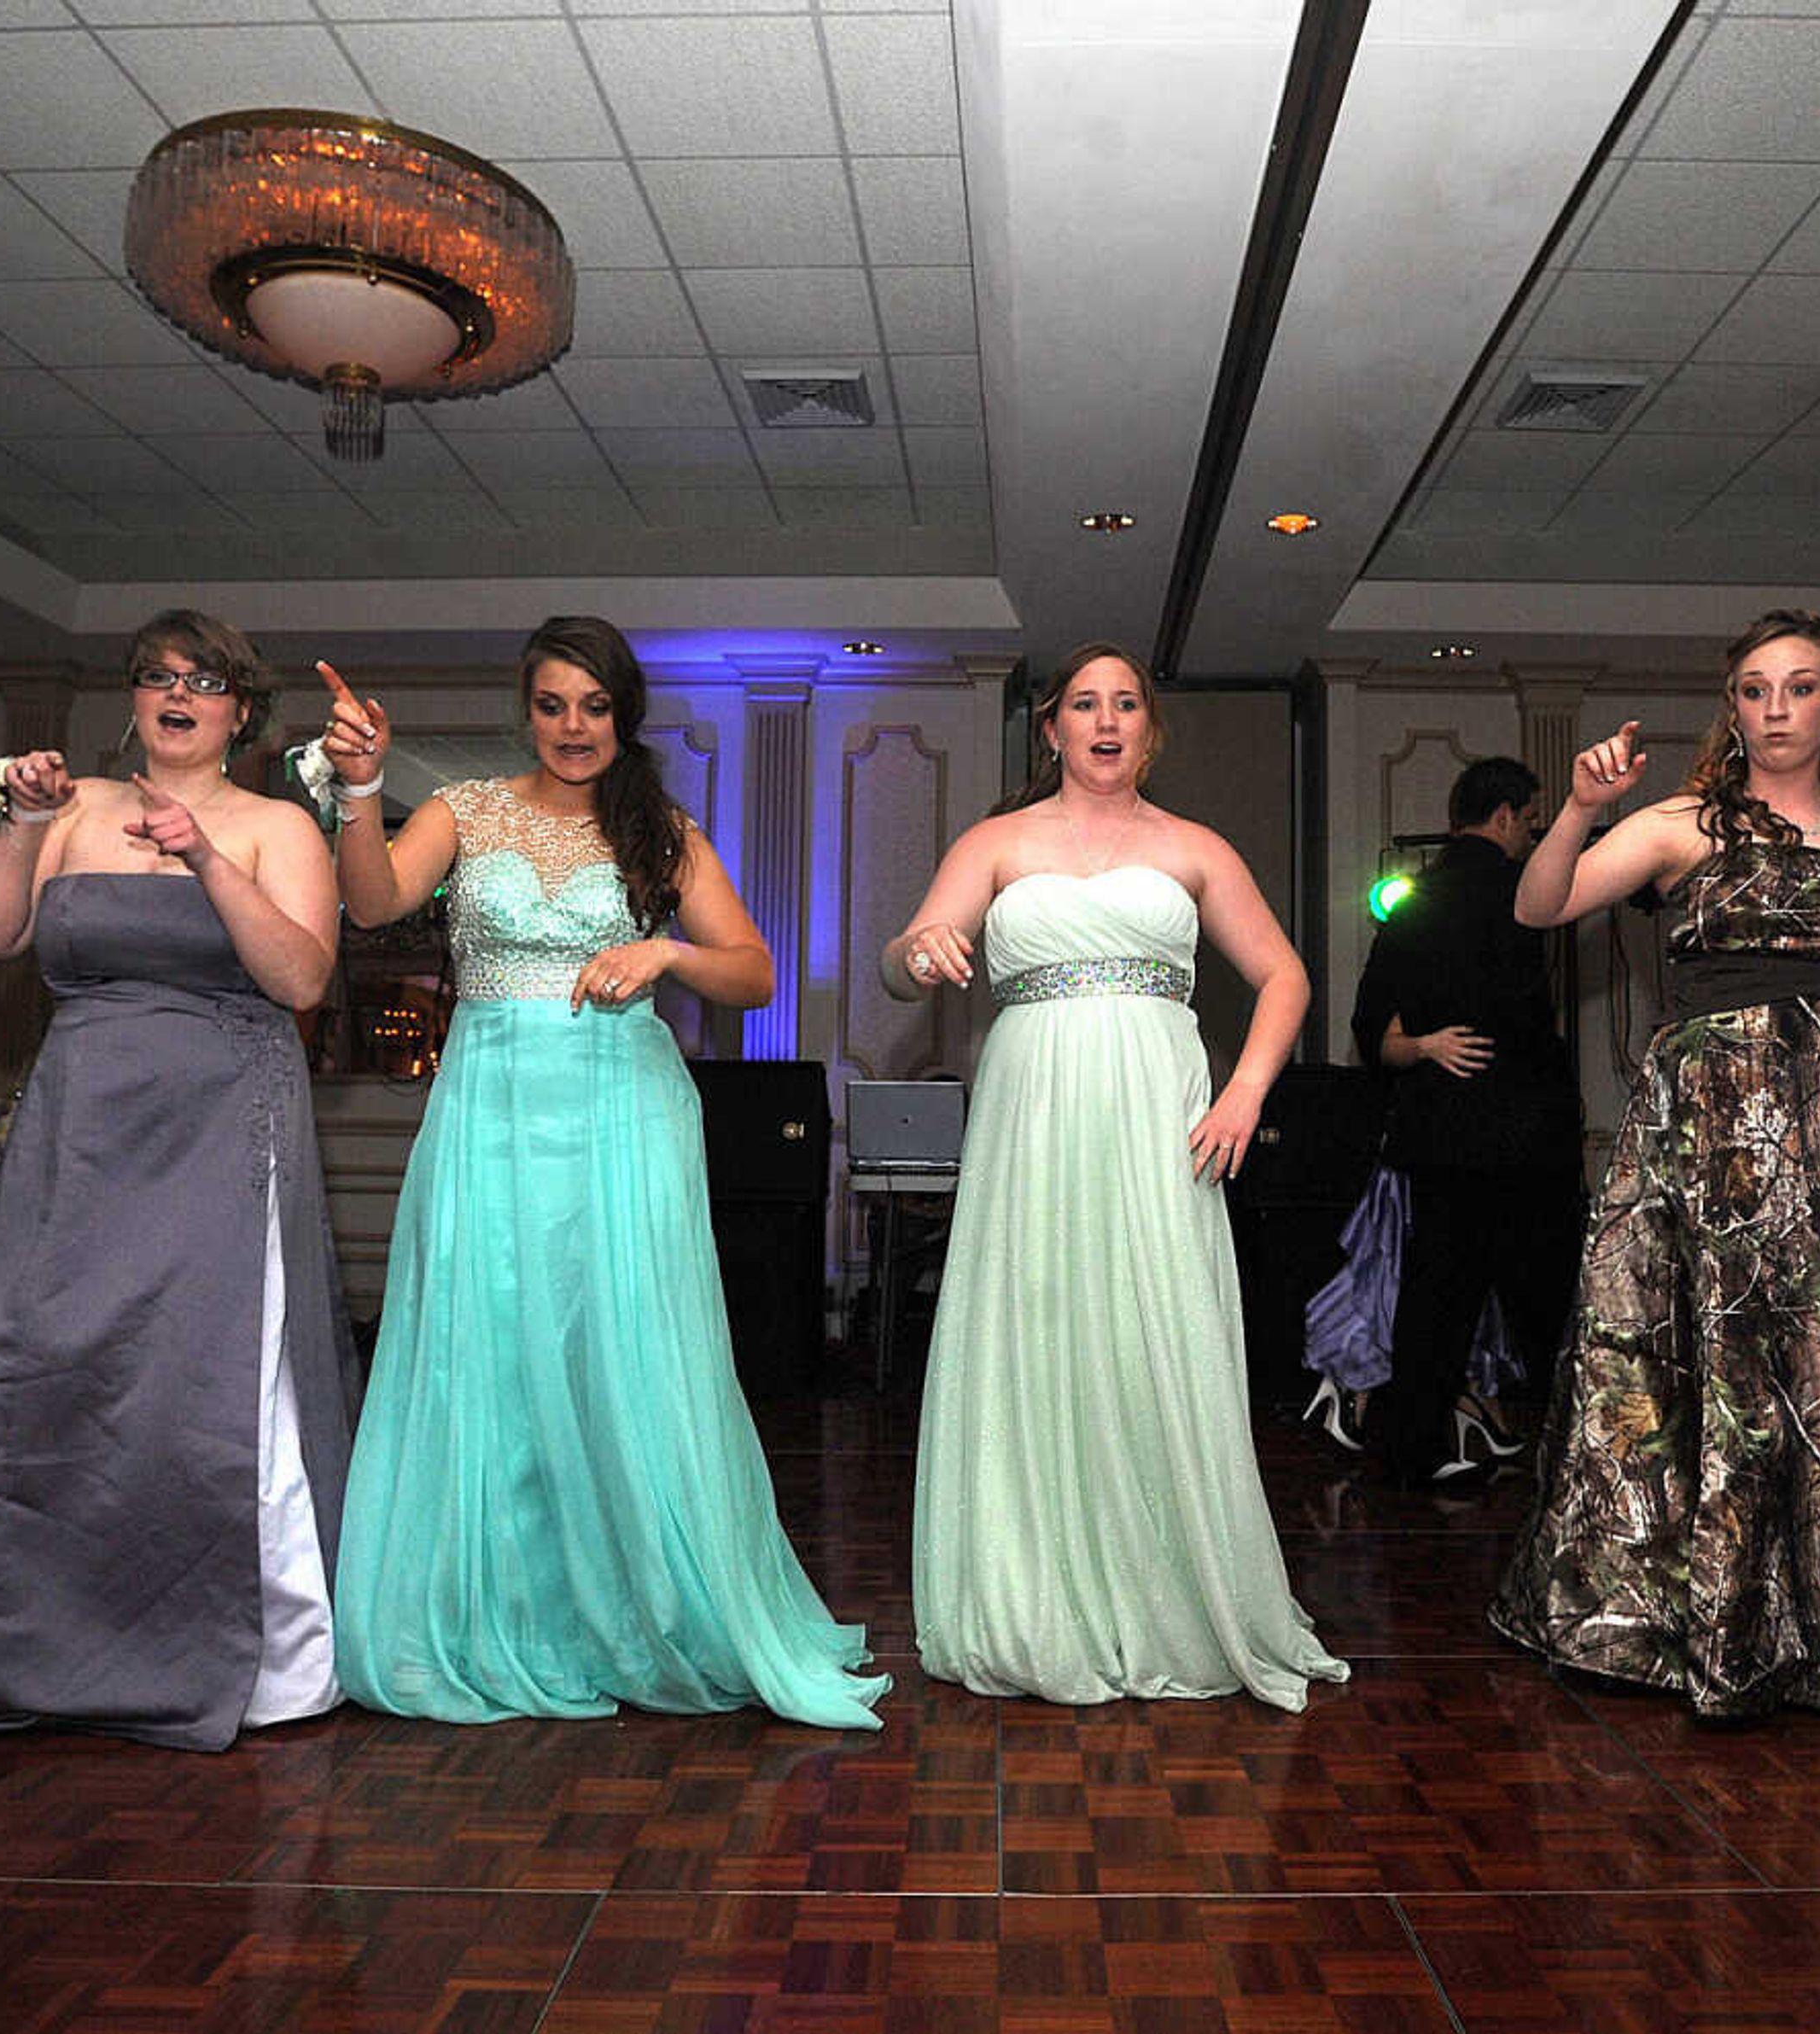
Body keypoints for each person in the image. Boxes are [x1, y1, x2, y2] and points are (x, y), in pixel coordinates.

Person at [318, 616, 884, 1729]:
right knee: (492, 1338)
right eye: (551, 703)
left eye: (594, 704)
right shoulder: (462, 810)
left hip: (623, 1110)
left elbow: (756, 972)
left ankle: (643, 1601)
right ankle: (503, 1609)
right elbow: (374, 904)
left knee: (617, 1340)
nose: (573, 726)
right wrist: (360, 789)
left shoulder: (656, 830)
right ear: (524, 710)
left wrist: (668, 951)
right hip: (489, 1105)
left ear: (624, 714)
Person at [0, 611, 356, 1751]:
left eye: (205, 679)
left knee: (197, 1373)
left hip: (223, 1118)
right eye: (156, 677)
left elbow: (300, 974)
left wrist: (206, 860)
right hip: (83, 1117)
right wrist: (22, 827)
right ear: (133, 699)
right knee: (36, 1361)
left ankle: (244, 1654)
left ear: (241, 708)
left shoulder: (280, 823)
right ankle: (27, 1639)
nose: (178, 693)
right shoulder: (71, 804)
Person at [1485, 609, 1820, 1724]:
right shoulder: (1681, 822)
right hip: (1711, 1123)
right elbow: (1537, 904)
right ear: (1731, 707)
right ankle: (1691, 1623)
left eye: (1798, 687)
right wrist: (1586, 806)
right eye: (1754, 688)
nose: (1776, 708)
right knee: (1703, 1355)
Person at [887, 642, 1347, 1710]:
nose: (1105, 720)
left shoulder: (1195, 848)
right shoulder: (996, 842)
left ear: (1150, 728)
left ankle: (1171, 1591)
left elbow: (1285, 976)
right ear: (1052, 729)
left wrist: (1244, 1095)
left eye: (1126, 703)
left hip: (1160, 1113)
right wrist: (914, 954)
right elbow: (907, 951)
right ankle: (1031, 1592)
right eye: (1084, 704)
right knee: (1038, 1322)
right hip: (1032, 1110)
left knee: (1155, 1328)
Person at [1338, 755, 1585, 1484]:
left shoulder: (1414, 901)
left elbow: (1368, 1023)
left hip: (1444, 1134)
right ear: (1506, 816)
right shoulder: (1527, 890)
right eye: (1531, 819)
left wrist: (1423, 1046)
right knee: (1549, 1303)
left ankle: (1410, 1455)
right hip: (1527, 1134)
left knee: (1434, 1305)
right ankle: (1578, 1462)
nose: (1531, 832)